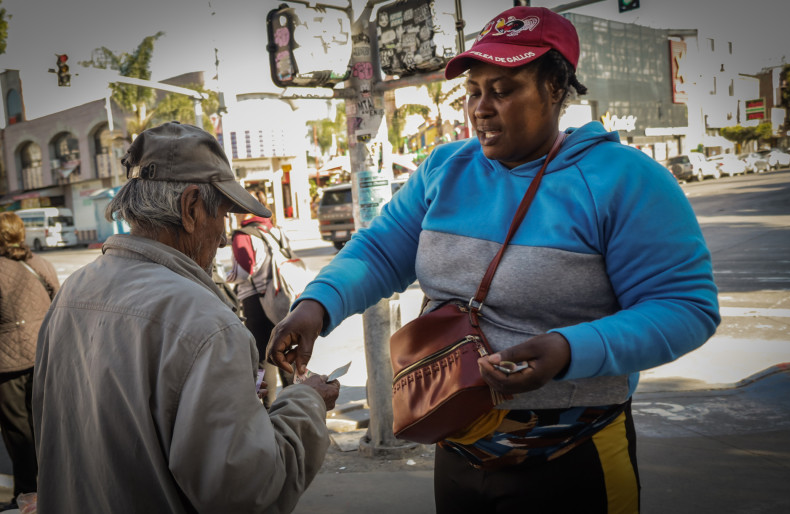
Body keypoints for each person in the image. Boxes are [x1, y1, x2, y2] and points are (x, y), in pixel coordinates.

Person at [268, 6, 720, 513]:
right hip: (459, 454)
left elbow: (685, 308)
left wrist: (568, 350)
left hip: (573, 460)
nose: (481, 108)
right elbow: (378, 250)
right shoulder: (445, 168)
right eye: (474, 91)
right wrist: (316, 307)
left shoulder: (624, 180)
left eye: (502, 91)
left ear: (555, 87)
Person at [33, 121, 340, 514]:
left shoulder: (74, 290)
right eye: (224, 215)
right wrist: (306, 403)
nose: (224, 236)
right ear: (191, 207)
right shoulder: (207, 324)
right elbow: (249, 493)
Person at [0, 212, 58, 509]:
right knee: (46, 427)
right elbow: (59, 301)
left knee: (18, 434)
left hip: (8, 366)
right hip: (44, 356)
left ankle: (27, 496)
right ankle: (55, 488)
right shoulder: (40, 263)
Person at [226, 194, 290, 407]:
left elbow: (244, 271)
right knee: (285, 350)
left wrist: (227, 277)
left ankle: (269, 407)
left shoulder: (243, 235)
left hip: (257, 302)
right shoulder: (275, 230)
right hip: (282, 297)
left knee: (263, 357)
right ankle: (295, 401)